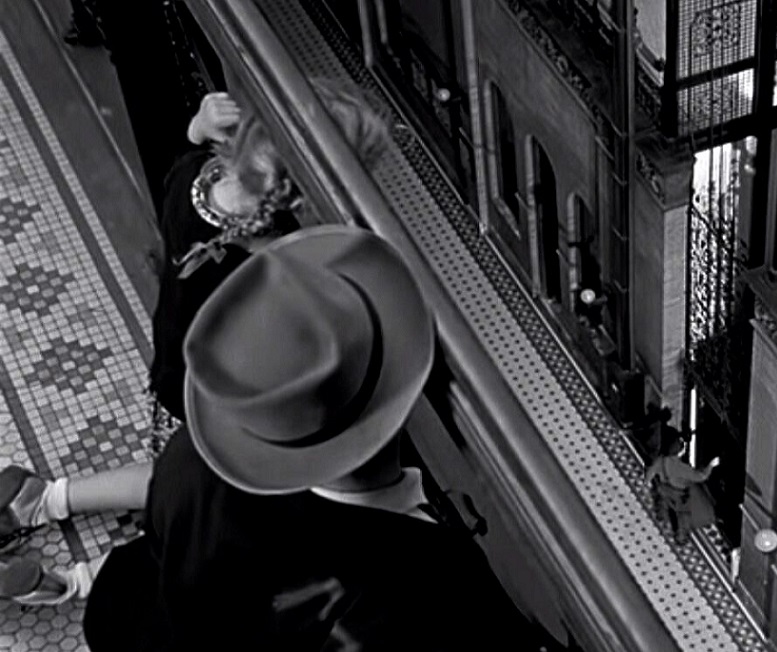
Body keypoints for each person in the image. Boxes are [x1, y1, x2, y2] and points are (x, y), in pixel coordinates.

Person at [3, 226, 543, 650]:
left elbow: (178, 538)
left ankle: (53, 530)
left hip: (154, 625)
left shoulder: (191, 460)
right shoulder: (429, 582)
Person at [0, 81, 390, 552]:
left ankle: (46, 497)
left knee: (171, 473)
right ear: (305, 199)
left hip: (176, 373)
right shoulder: (281, 270)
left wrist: (196, 127)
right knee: (201, 503)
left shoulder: (194, 180)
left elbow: (188, 165)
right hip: (226, 411)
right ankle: (104, 550)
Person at [644, 429, 720, 545]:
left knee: (665, 509)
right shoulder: (683, 469)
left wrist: (647, 485)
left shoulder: (662, 460)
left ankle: (662, 519)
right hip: (679, 495)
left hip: (664, 490)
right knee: (682, 517)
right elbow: (701, 476)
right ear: (680, 452)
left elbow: (650, 474)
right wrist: (711, 465)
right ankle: (680, 538)